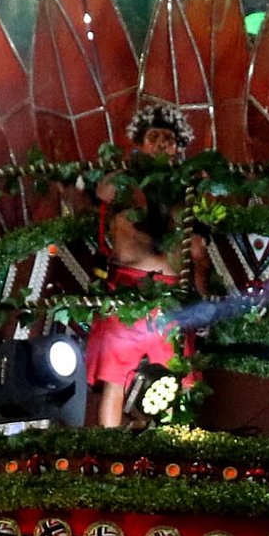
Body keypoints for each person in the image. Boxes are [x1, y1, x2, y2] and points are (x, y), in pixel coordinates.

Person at [84, 101, 197, 427]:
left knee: (171, 380)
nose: (161, 143)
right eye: (153, 136)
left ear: (177, 147)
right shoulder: (123, 181)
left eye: (168, 138)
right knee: (115, 379)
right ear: (140, 142)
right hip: (127, 291)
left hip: (170, 295)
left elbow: (195, 248)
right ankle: (110, 455)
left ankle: (165, 459)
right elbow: (102, 191)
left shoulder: (185, 188)